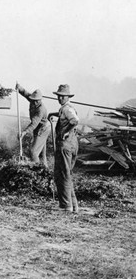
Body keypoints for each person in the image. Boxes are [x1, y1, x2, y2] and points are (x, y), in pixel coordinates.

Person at [48, 84, 79, 213]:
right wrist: (52, 113)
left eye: (63, 97)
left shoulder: (67, 109)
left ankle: (66, 206)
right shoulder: (65, 108)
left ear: (68, 97)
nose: (60, 98)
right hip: (71, 144)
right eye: (59, 96)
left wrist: (66, 131)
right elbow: (64, 115)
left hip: (66, 144)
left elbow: (75, 120)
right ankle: (74, 206)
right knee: (67, 174)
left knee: (62, 174)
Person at [15, 83, 51, 166]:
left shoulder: (41, 109)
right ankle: (45, 168)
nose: (35, 103)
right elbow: (25, 93)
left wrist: (24, 132)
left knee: (33, 151)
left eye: (37, 101)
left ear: (40, 100)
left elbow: (34, 124)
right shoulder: (32, 99)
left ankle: (36, 168)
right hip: (38, 127)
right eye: (34, 100)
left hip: (43, 128)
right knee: (42, 152)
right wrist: (19, 88)